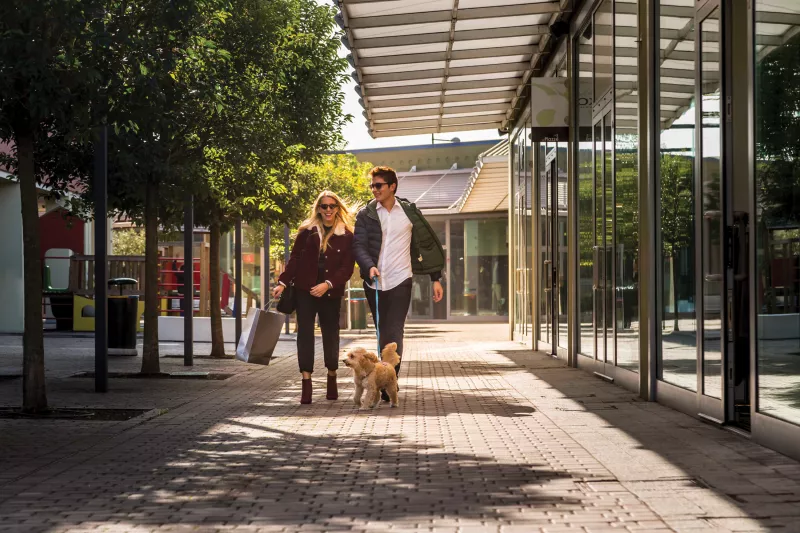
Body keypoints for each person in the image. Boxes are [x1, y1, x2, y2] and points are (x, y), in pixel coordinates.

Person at [353, 166, 445, 402]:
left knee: (394, 332)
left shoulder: (409, 213)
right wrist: (368, 266)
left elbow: (427, 244)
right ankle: (384, 377)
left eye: (379, 185)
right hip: (374, 282)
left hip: (401, 278)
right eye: (372, 185)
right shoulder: (367, 214)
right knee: (382, 330)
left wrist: (436, 278)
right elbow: (359, 246)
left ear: (392, 186)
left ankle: (389, 381)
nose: (374, 190)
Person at [273, 191, 355, 405]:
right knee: (305, 336)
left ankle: (331, 377)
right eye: (324, 206)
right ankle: (306, 383)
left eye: (332, 206)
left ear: (338, 208)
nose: (328, 210)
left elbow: (347, 268)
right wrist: (282, 283)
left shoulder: (347, 235)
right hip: (304, 291)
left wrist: (327, 284)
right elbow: (295, 260)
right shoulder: (306, 232)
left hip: (330, 293)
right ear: (318, 208)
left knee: (331, 335)